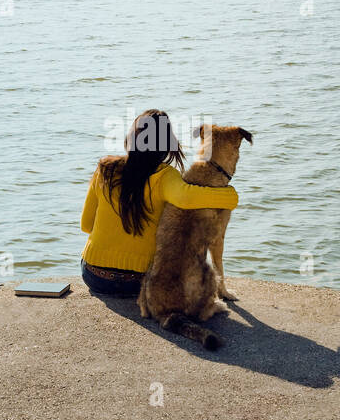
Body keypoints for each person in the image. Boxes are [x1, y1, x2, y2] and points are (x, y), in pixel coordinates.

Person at [80, 109, 238, 298]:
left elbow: (86, 225)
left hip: (94, 276)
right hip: (139, 283)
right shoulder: (165, 175)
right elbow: (188, 197)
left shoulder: (105, 168)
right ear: (167, 142)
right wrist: (230, 196)